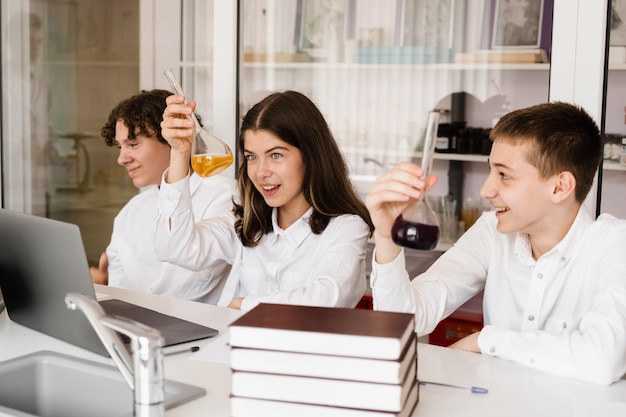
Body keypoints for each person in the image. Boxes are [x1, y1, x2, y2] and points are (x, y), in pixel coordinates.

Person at [365, 101, 626, 385]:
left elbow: (601, 361)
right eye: (490, 170)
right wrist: (385, 235)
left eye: (504, 175)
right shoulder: (493, 231)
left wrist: (487, 340)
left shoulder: (614, 245)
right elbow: (408, 320)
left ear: (559, 187)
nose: (486, 189)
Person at [154, 90, 374, 312]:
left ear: (311, 156)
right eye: (252, 157)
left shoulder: (347, 228)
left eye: (276, 155)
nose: (260, 172)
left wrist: (244, 305)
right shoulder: (246, 223)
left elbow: (327, 298)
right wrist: (180, 153)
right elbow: (174, 247)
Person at [90, 89, 235, 304]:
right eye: (120, 147)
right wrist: (103, 288)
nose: (122, 159)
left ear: (172, 137)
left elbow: (185, 287)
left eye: (133, 144)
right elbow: (120, 293)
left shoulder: (225, 198)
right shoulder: (131, 211)